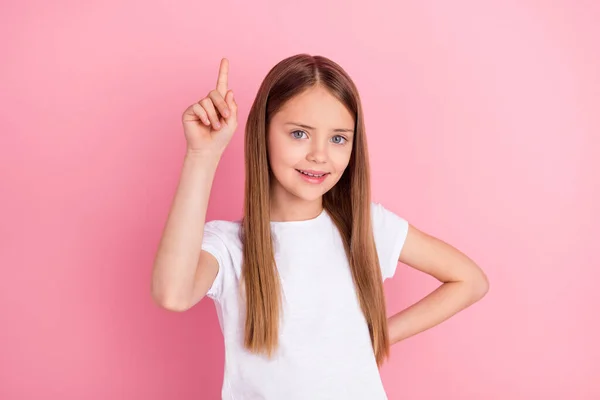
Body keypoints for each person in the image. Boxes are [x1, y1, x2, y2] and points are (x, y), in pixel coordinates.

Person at [152, 54, 489, 399]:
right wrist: (202, 155)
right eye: (299, 133)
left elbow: (470, 280)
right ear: (262, 132)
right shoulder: (228, 246)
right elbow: (173, 294)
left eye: (338, 139)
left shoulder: (365, 227)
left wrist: (378, 335)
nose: (320, 155)